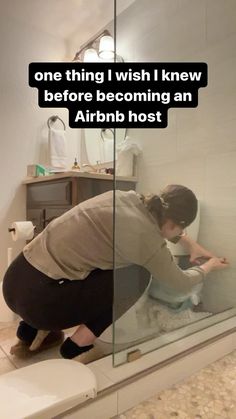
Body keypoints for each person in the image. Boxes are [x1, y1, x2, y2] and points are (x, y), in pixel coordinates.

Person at [3, 185, 229, 360]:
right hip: (40, 303)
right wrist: (209, 265)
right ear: (176, 223)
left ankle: (30, 333)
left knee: (90, 260)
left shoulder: (126, 197)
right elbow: (180, 282)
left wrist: (189, 244)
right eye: (183, 228)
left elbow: (161, 226)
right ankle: (76, 346)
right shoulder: (147, 240)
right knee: (138, 275)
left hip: (13, 282)